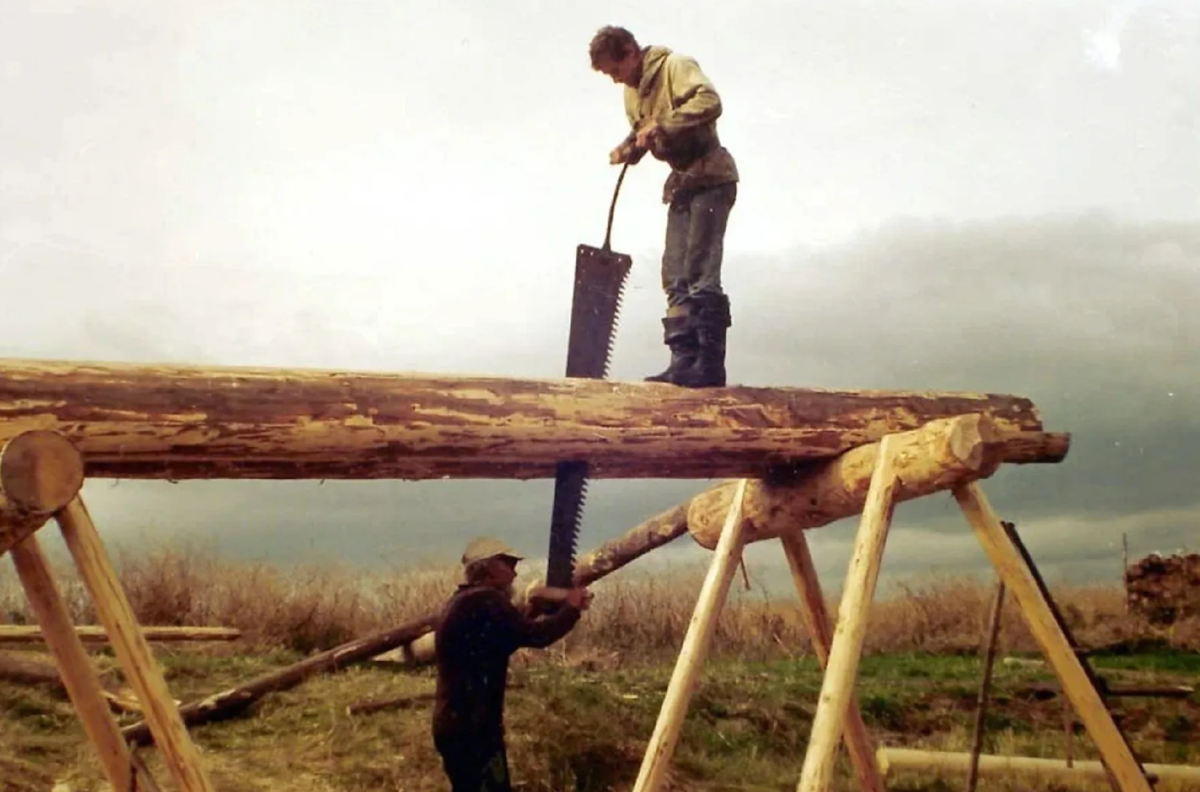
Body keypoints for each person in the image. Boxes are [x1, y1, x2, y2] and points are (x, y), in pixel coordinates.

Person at [589, 25, 739, 388]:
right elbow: (646, 131)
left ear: (629, 51)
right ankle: (682, 362)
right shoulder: (632, 93)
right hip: (682, 183)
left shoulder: (676, 66)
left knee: (700, 272)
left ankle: (708, 367)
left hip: (711, 177)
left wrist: (662, 124)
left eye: (614, 69)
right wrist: (630, 147)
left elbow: (710, 101)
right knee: (674, 276)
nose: (614, 79)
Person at [431, 536, 592, 792]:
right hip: (473, 729)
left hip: (458, 725)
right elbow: (536, 636)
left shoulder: (464, 601)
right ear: (491, 567)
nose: (515, 572)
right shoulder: (486, 601)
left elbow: (506, 635)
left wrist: (533, 606)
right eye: (508, 564)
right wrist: (571, 608)